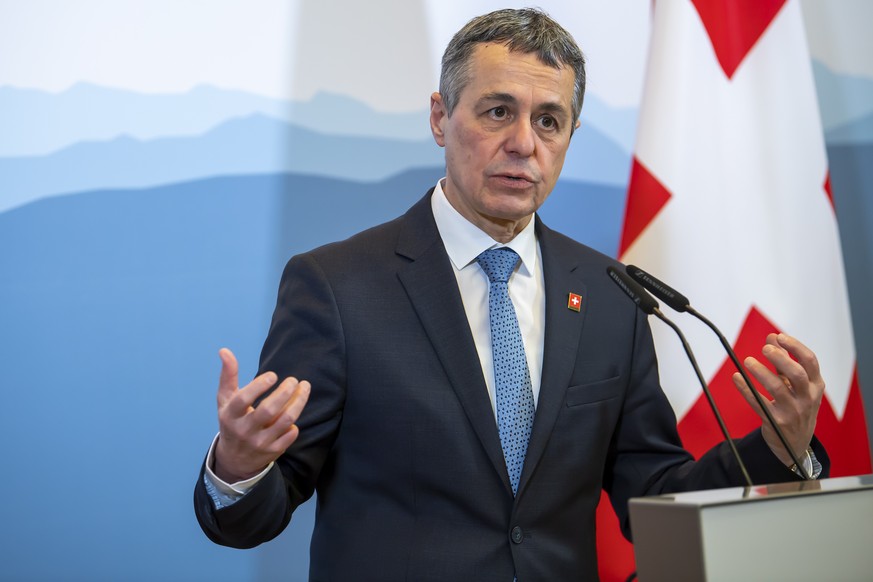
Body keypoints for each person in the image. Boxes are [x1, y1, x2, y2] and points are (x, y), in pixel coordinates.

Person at [194, 8, 828, 581]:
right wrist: (240, 466)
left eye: (548, 121)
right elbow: (250, 518)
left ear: (569, 138)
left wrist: (776, 451)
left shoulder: (611, 296)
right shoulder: (337, 286)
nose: (524, 143)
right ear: (441, 117)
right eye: (498, 111)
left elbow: (655, 499)